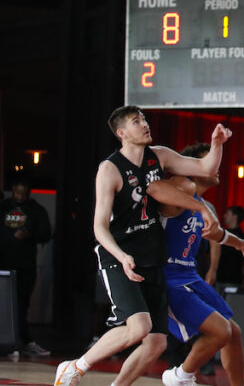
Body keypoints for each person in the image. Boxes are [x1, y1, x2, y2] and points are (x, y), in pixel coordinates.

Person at [54, 106, 226, 386]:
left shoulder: (159, 156)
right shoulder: (109, 169)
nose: (145, 124)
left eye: (144, 119)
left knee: (156, 343)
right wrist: (121, 256)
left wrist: (217, 144)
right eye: (137, 122)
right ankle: (74, 366)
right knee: (139, 327)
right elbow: (99, 226)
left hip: (152, 255)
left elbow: (206, 168)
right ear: (122, 133)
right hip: (119, 255)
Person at [158, 163, 244, 386]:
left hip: (190, 274)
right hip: (170, 277)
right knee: (221, 331)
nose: (217, 167)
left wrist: (240, 242)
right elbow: (154, 188)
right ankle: (179, 377)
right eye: (211, 161)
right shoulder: (180, 185)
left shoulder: (203, 205)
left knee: (234, 333)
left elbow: (218, 235)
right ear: (194, 165)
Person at [0, 176, 52, 356]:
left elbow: (46, 233)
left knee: (22, 304)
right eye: (17, 193)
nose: (20, 197)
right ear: (12, 189)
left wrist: (29, 235)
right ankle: (13, 342)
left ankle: (22, 342)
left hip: (25, 265)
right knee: (5, 304)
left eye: (23, 193)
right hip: (4, 265)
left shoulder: (36, 210)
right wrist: (8, 238)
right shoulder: (3, 208)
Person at [215, 206, 244, 291]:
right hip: (221, 278)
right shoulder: (225, 234)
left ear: (235, 216)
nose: (225, 216)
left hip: (231, 279)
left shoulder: (238, 237)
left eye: (228, 214)